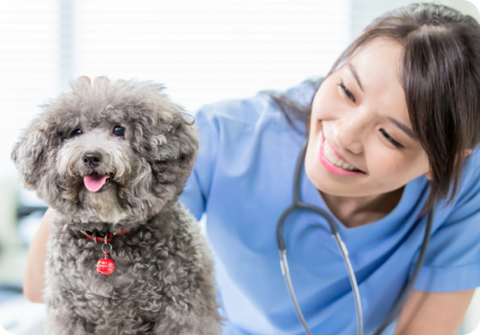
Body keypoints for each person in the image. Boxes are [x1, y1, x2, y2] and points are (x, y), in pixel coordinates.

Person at [23, 3, 480, 334]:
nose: (345, 135)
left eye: (391, 136)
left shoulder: (467, 184)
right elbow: (41, 289)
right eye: (346, 90)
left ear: (444, 161)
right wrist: (85, 152)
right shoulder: (228, 136)